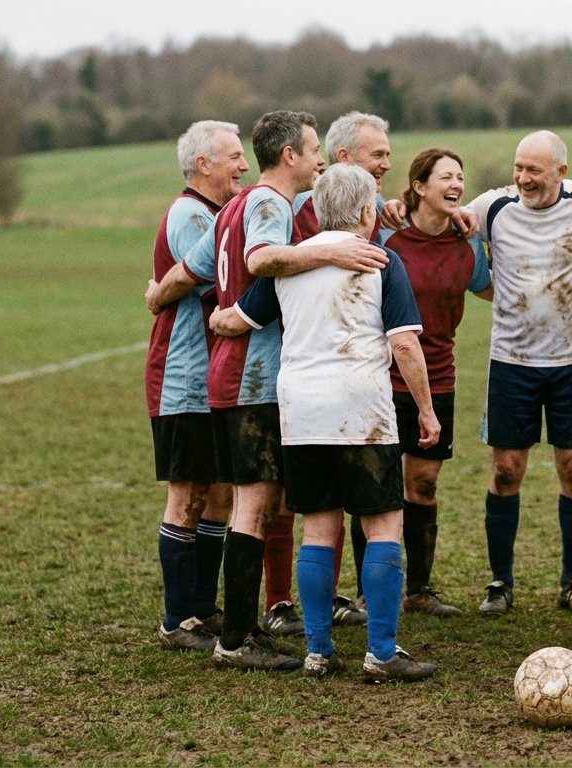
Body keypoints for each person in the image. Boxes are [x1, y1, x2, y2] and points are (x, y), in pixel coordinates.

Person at [144, 109, 386, 670]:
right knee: (255, 504)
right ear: (289, 156)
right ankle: (236, 639)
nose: (321, 157)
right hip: (253, 376)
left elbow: (191, 270)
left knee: (260, 501)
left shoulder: (232, 207)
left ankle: (241, 626)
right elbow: (262, 260)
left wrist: (158, 293)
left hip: (232, 374)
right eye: (313, 148)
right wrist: (330, 251)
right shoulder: (269, 204)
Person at [229, 163, 442, 681]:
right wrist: (428, 409)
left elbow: (238, 318)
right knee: (384, 522)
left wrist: (213, 317)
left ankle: (319, 651)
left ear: (318, 211)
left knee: (318, 528)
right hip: (360, 412)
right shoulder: (381, 261)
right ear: (368, 211)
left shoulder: (289, 264)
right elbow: (405, 343)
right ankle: (382, 652)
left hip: (300, 413)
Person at [461, 131, 572, 615]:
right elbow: (447, 229)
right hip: (512, 361)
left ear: (561, 173)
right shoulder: (491, 208)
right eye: (519, 167)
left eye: (535, 170)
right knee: (507, 471)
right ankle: (500, 582)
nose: (523, 178)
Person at [144, 120, 246, 651]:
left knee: (220, 493)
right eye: (233, 156)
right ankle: (177, 620)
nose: (243, 165)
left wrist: (157, 291)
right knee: (186, 495)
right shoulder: (189, 214)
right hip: (183, 379)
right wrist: (163, 290)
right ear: (203, 164)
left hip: (212, 379)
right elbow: (211, 281)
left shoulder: (214, 214)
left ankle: (203, 609)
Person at [380, 148, 493, 616]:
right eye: (445, 176)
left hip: (438, 379)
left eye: (460, 178)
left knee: (422, 484)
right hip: (382, 379)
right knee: (380, 488)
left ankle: (419, 591)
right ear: (419, 186)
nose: (456, 184)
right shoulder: (386, 234)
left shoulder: (468, 243)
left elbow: (493, 288)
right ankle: (371, 592)